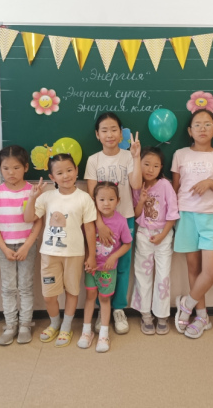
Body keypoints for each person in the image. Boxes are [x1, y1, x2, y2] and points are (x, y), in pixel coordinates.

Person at [172, 109, 213, 339]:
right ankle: (201, 316)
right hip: (187, 215)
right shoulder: (180, 155)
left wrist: (211, 183)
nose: (202, 128)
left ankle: (186, 304)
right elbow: (175, 189)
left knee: (212, 270)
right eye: (197, 124)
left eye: (207, 124)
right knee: (194, 269)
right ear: (190, 131)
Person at [24, 154, 97, 348]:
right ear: (52, 177)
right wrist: (32, 198)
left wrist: (91, 255)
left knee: (72, 291)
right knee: (49, 295)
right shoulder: (47, 197)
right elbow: (29, 217)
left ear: (76, 171)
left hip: (74, 254)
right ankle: (55, 323)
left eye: (69, 170)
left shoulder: (84, 198)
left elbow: (90, 229)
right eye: (60, 172)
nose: (66, 175)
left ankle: (66, 326)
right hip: (49, 254)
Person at [84, 112, 141, 334]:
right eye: (104, 130)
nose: (109, 134)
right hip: (100, 222)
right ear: (97, 135)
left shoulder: (127, 157)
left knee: (122, 267)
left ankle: (118, 309)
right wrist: (99, 223)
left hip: (124, 218)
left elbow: (136, 185)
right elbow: (92, 195)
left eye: (114, 129)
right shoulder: (93, 160)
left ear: (121, 133)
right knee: (101, 265)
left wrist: (136, 157)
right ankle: (103, 307)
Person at [0, 145, 43, 345]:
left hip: (27, 245)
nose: (11, 172)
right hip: (5, 247)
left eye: (16, 168)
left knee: (26, 286)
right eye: (6, 168)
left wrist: (27, 246)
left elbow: (37, 223)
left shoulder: (32, 192)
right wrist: (3, 248)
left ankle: (25, 324)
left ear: (26, 167)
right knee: (8, 287)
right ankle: (10, 325)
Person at [77, 182, 133, 352]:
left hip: (108, 270)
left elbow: (127, 244)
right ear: (95, 200)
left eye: (111, 199)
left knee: (104, 299)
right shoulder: (90, 219)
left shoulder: (121, 221)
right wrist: (88, 258)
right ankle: (86, 332)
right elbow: (85, 240)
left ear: (118, 200)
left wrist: (114, 256)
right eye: (101, 199)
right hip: (92, 267)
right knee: (90, 296)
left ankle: (103, 334)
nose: (106, 203)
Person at [130, 147, 179, 335]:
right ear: (139, 164)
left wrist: (163, 235)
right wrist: (142, 200)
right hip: (144, 234)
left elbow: (172, 214)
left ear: (161, 168)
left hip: (163, 235)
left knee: (163, 275)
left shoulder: (165, 185)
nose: (150, 169)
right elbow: (136, 214)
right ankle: (145, 314)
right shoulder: (136, 185)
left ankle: (162, 315)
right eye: (146, 164)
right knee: (142, 274)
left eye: (156, 166)